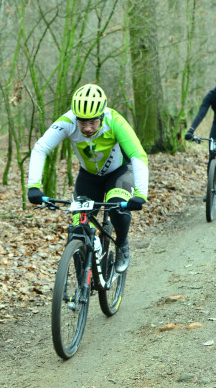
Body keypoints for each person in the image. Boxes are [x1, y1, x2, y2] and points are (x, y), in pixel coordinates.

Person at [27, 83, 148, 273]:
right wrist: (33, 185)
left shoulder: (114, 120)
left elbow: (138, 155)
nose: (88, 128)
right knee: (78, 226)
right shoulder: (67, 121)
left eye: (92, 122)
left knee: (118, 208)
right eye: (82, 122)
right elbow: (40, 148)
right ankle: (84, 276)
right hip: (88, 178)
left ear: (101, 116)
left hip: (118, 174)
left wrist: (141, 193)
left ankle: (122, 244)